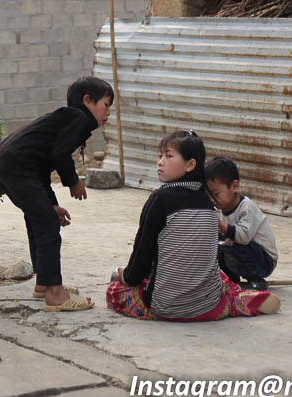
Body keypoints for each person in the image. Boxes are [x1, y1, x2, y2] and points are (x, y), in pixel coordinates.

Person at [107, 129, 280, 320]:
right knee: (216, 275)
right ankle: (235, 298)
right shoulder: (208, 202)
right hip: (209, 304)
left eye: (169, 156)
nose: (160, 162)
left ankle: (228, 299)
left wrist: (125, 277)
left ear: (190, 165)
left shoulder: (159, 199)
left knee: (115, 290)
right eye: (159, 156)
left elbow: (142, 256)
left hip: (166, 306)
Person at [0, 76, 113, 311]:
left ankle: (44, 283)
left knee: (41, 217)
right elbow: (59, 155)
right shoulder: (78, 118)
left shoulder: (66, 120)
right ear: (87, 100)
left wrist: (51, 204)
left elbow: (41, 166)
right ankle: (55, 294)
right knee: (47, 224)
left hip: (10, 165)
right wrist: (73, 181)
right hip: (17, 167)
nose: (108, 112)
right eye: (106, 105)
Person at [205, 156, 279, 290]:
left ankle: (256, 281)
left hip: (264, 259)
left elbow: (243, 237)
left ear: (234, 186)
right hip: (245, 251)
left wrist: (220, 224)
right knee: (217, 251)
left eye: (215, 194)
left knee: (233, 251)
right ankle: (231, 280)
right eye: (209, 195)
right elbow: (225, 235)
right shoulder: (223, 208)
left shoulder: (246, 207)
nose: (212, 199)